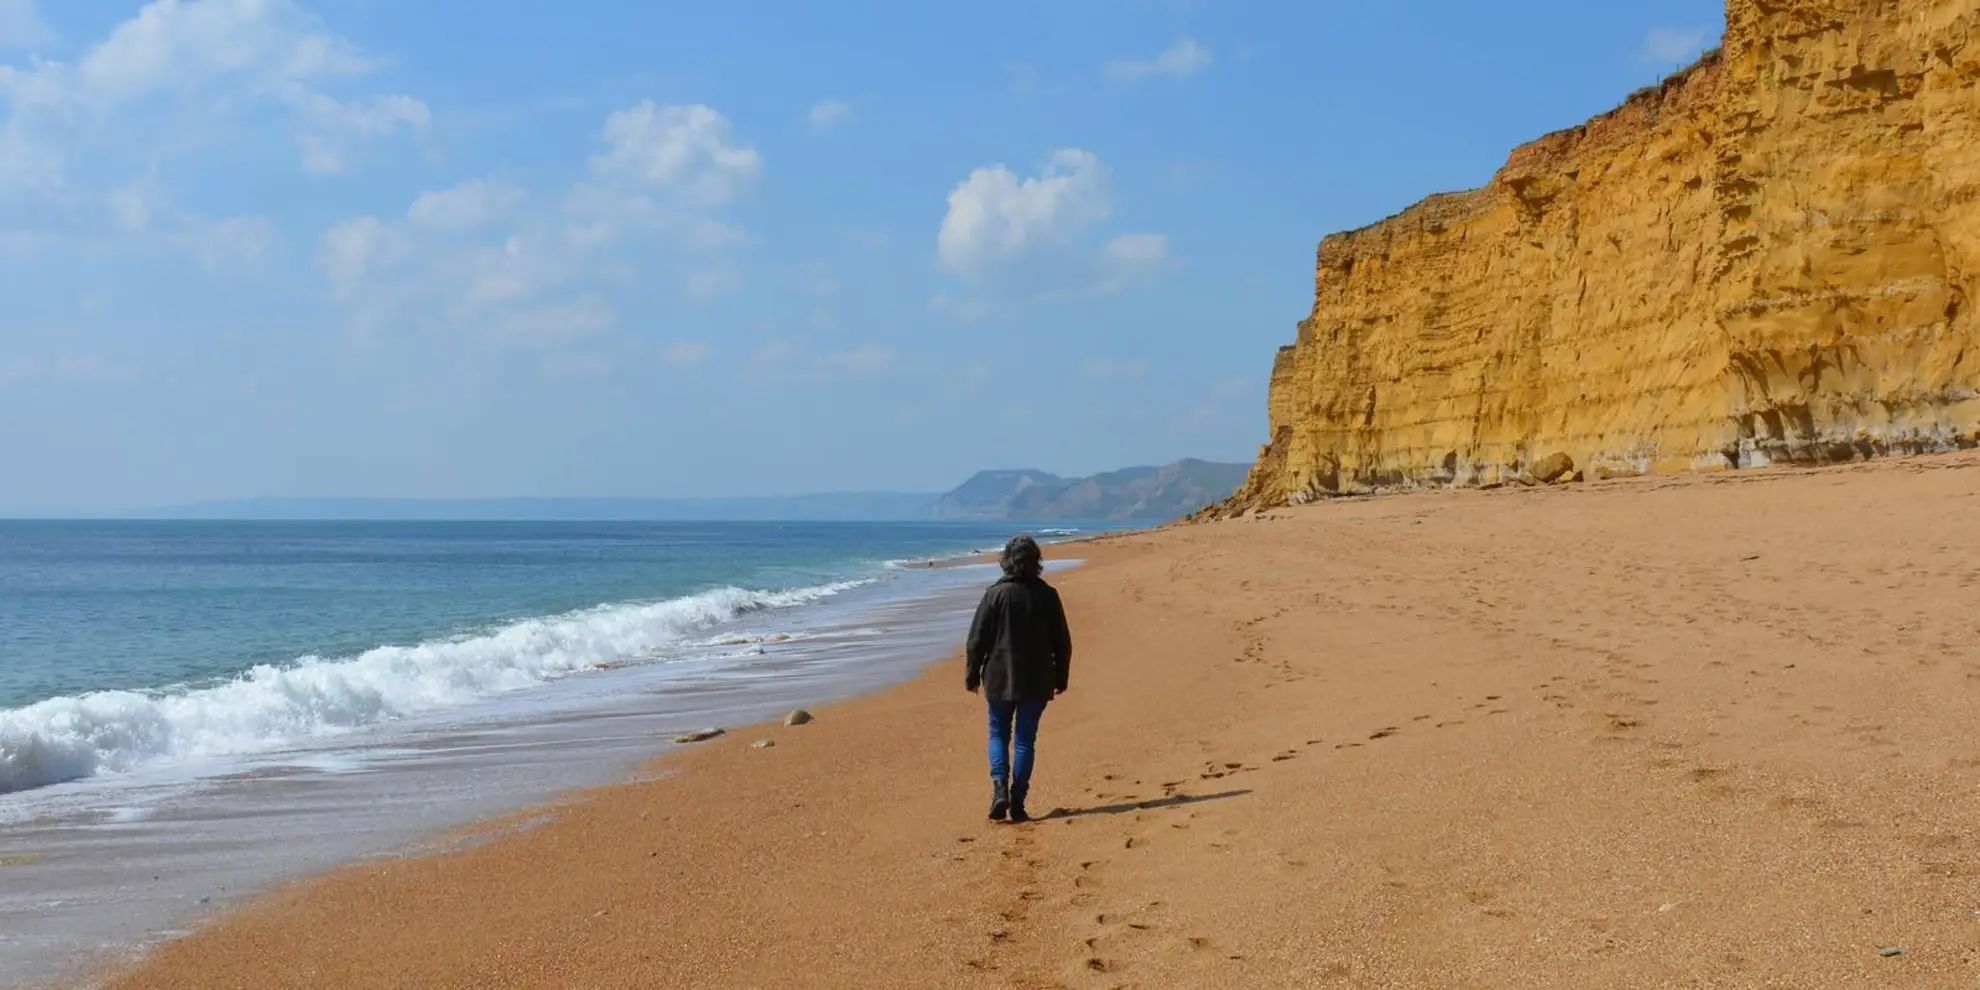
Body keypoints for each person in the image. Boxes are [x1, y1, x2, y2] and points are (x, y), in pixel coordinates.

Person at [966, 534, 1073, 823]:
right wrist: (1061, 676)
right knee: (1025, 740)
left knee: (998, 733)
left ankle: (999, 787)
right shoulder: (1047, 595)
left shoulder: (994, 595)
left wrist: (972, 674)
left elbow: (976, 639)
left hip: (999, 678)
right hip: (1037, 679)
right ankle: (1018, 801)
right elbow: (1062, 641)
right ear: (1035, 562)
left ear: (1007, 561)